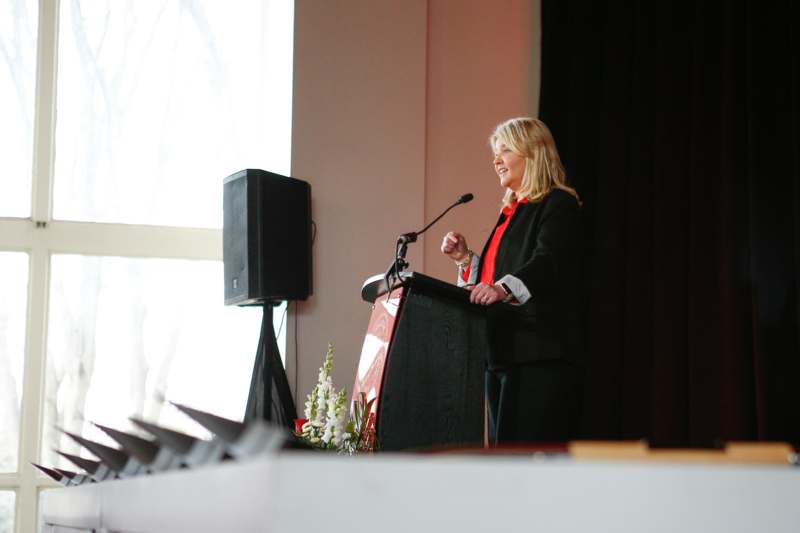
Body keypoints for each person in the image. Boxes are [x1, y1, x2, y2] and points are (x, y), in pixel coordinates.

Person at [440, 117, 584, 444]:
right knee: (503, 456)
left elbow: (548, 262)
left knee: (524, 463)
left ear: (532, 152)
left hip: (537, 355)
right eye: (495, 151)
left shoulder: (558, 203)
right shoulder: (512, 212)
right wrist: (465, 259)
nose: (496, 159)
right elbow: (495, 275)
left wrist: (501, 289)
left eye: (505, 149)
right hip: (501, 353)